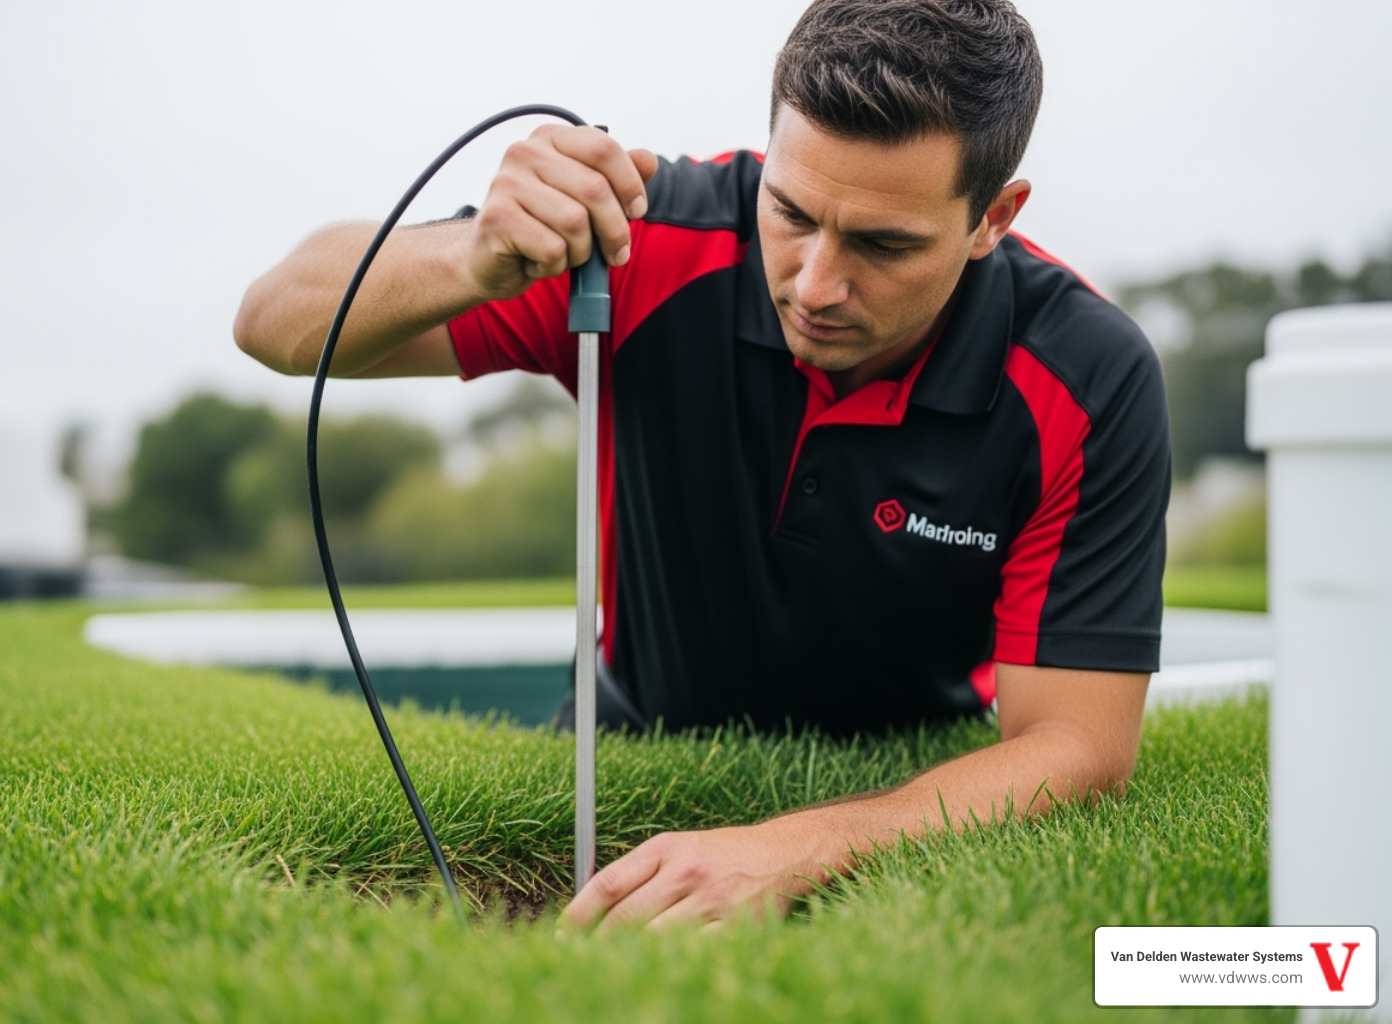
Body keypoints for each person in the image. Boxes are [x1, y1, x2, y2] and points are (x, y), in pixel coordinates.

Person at [234, 0, 1169, 930]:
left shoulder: (1088, 374)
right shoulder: (646, 241)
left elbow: (1077, 745)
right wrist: (473, 256)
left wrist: (794, 847)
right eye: (792, 212)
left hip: (910, 777)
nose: (815, 285)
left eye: (885, 244)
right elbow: (274, 321)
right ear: (768, 156)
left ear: (992, 217)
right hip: (629, 731)